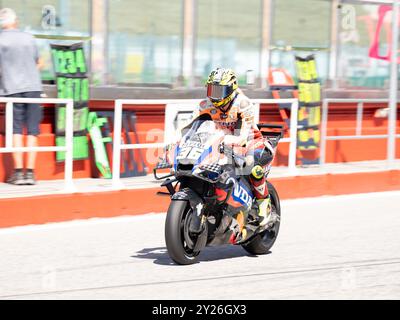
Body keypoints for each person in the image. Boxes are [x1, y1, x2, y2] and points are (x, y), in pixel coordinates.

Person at [189, 67, 276, 243]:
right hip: (221, 144)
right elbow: (194, 130)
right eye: (212, 90)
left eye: (219, 90)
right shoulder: (204, 105)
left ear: (231, 89)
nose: (215, 95)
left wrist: (227, 140)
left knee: (252, 166)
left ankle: (263, 205)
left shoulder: (243, 104)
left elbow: (244, 135)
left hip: (251, 142)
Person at [0, 8, 43, 185]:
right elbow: (39, 63)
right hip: (33, 88)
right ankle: (31, 173)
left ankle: (18, 174)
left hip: (11, 89)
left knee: (16, 130)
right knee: (33, 131)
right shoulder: (29, 38)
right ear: (15, 21)